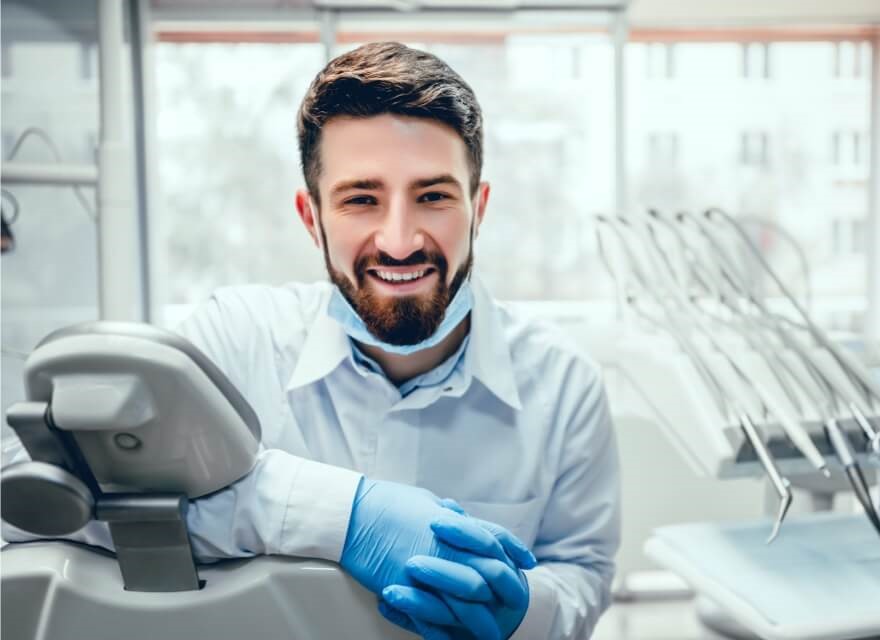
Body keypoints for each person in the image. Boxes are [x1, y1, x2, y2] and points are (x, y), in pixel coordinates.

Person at [4, 42, 620, 639]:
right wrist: (339, 517)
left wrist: (524, 615)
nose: (400, 240)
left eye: (433, 196)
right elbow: (29, 491)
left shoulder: (565, 386)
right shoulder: (236, 341)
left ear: (478, 208)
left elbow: (582, 577)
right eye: (361, 199)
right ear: (312, 217)